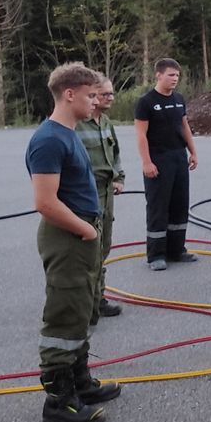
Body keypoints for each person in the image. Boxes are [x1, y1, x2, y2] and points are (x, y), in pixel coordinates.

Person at [26, 63, 122, 422]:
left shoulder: (70, 133)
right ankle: (59, 402)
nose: (95, 101)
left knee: (81, 308)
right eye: (89, 95)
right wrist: (86, 231)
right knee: (64, 314)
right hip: (67, 237)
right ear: (69, 94)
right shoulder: (49, 139)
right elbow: (45, 201)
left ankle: (80, 382)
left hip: (80, 235)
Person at [134, 58, 199, 271]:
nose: (175, 79)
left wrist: (193, 152)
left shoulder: (179, 99)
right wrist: (146, 162)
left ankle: (177, 250)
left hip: (178, 158)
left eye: (177, 76)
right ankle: (156, 255)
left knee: (179, 205)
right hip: (158, 160)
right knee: (158, 207)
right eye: (171, 75)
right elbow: (141, 135)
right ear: (159, 75)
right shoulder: (146, 102)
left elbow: (185, 127)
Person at [76, 76, 126, 323]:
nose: (111, 98)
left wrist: (119, 177)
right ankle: (85, 305)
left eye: (112, 94)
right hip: (87, 193)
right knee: (88, 251)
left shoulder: (106, 122)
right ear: (92, 96)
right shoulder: (77, 125)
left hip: (107, 193)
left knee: (103, 247)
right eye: (106, 94)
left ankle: (99, 300)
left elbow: (115, 153)